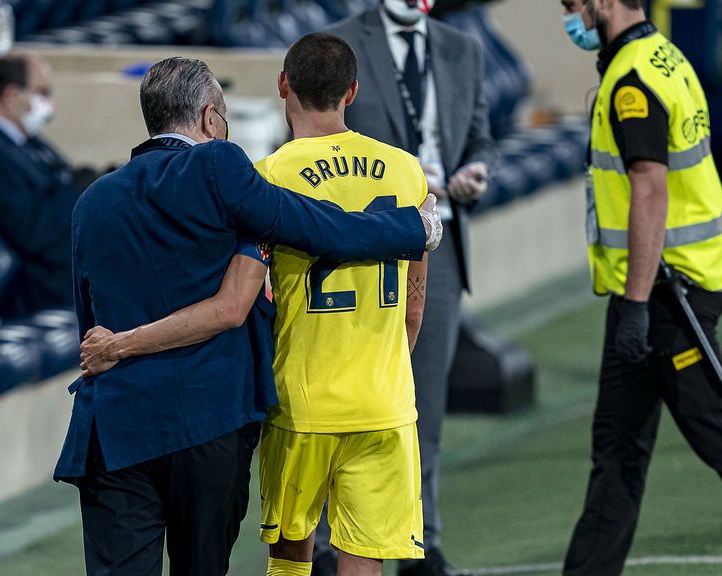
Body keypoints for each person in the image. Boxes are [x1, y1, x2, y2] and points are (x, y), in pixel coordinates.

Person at [56, 56, 445, 576]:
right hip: (207, 421)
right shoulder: (220, 167)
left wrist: (120, 347)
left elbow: (89, 319)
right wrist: (412, 230)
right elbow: (316, 227)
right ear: (210, 118)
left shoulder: (91, 202)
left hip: (115, 428)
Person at [557, 1, 722, 575]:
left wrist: (634, 305)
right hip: (656, 287)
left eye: (571, 6)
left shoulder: (633, 79)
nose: (570, 17)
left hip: (663, 294)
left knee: (717, 433)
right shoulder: (665, 57)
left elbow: (650, 187)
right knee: (617, 450)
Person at [326, 2, 495, 575]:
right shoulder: (336, 43)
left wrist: (477, 171)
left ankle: (421, 540)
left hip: (438, 241)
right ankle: (330, 544)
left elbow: (478, 137)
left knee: (426, 405)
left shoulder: (462, 48)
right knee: (345, 398)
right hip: (360, 246)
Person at [0, 50, 97, 316]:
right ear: (12, 95)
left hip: (67, 263)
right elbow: (33, 231)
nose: (49, 104)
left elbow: (65, 180)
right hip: (41, 281)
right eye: (42, 92)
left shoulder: (24, 140)